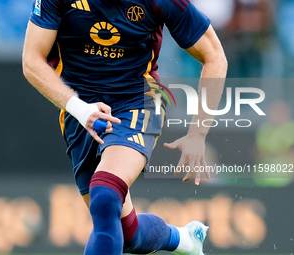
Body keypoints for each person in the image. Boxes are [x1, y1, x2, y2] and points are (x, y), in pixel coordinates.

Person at [22, 0, 227, 254]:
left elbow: (215, 55)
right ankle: (182, 239)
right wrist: (79, 108)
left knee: (106, 194)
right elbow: (31, 60)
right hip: (78, 108)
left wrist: (198, 134)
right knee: (125, 232)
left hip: (137, 99)